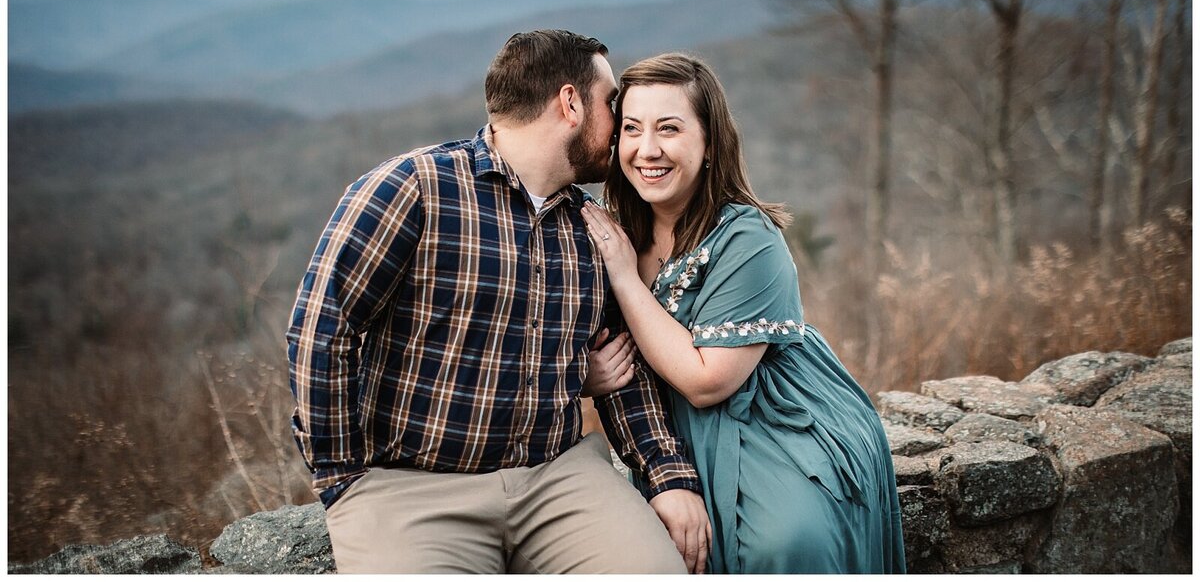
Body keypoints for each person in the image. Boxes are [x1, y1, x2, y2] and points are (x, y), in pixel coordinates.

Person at [286, 30, 710, 574]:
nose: (622, 120)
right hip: (413, 489)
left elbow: (625, 364)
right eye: (612, 102)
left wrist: (667, 478)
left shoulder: (593, 226)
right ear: (570, 104)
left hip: (558, 479)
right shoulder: (414, 188)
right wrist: (340, 477)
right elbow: (323, 329)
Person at [581, 53, 906, 574]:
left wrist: (623, 276)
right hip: (670, 432)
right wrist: (584, 376)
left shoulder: (747, 237)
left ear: (710, 142)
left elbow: (708, 382)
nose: (647, 150)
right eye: (632, 129)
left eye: (669, 129)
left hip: (769, 420)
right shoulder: (612, 229)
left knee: (784, 544)